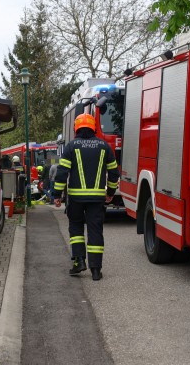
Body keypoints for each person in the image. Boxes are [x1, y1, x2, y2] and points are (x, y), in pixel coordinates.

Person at [53, 113, 119, 281]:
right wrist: (110, 193)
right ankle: (96, 271)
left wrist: (57, 195)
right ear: (93, 127)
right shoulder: (104, 147)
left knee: (76, 229)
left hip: (75, 199)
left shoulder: (71, 147)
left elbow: (61, 173)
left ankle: (79, 261)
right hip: (97, 200)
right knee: (95, 231)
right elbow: (113, 173)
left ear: (76, 128)